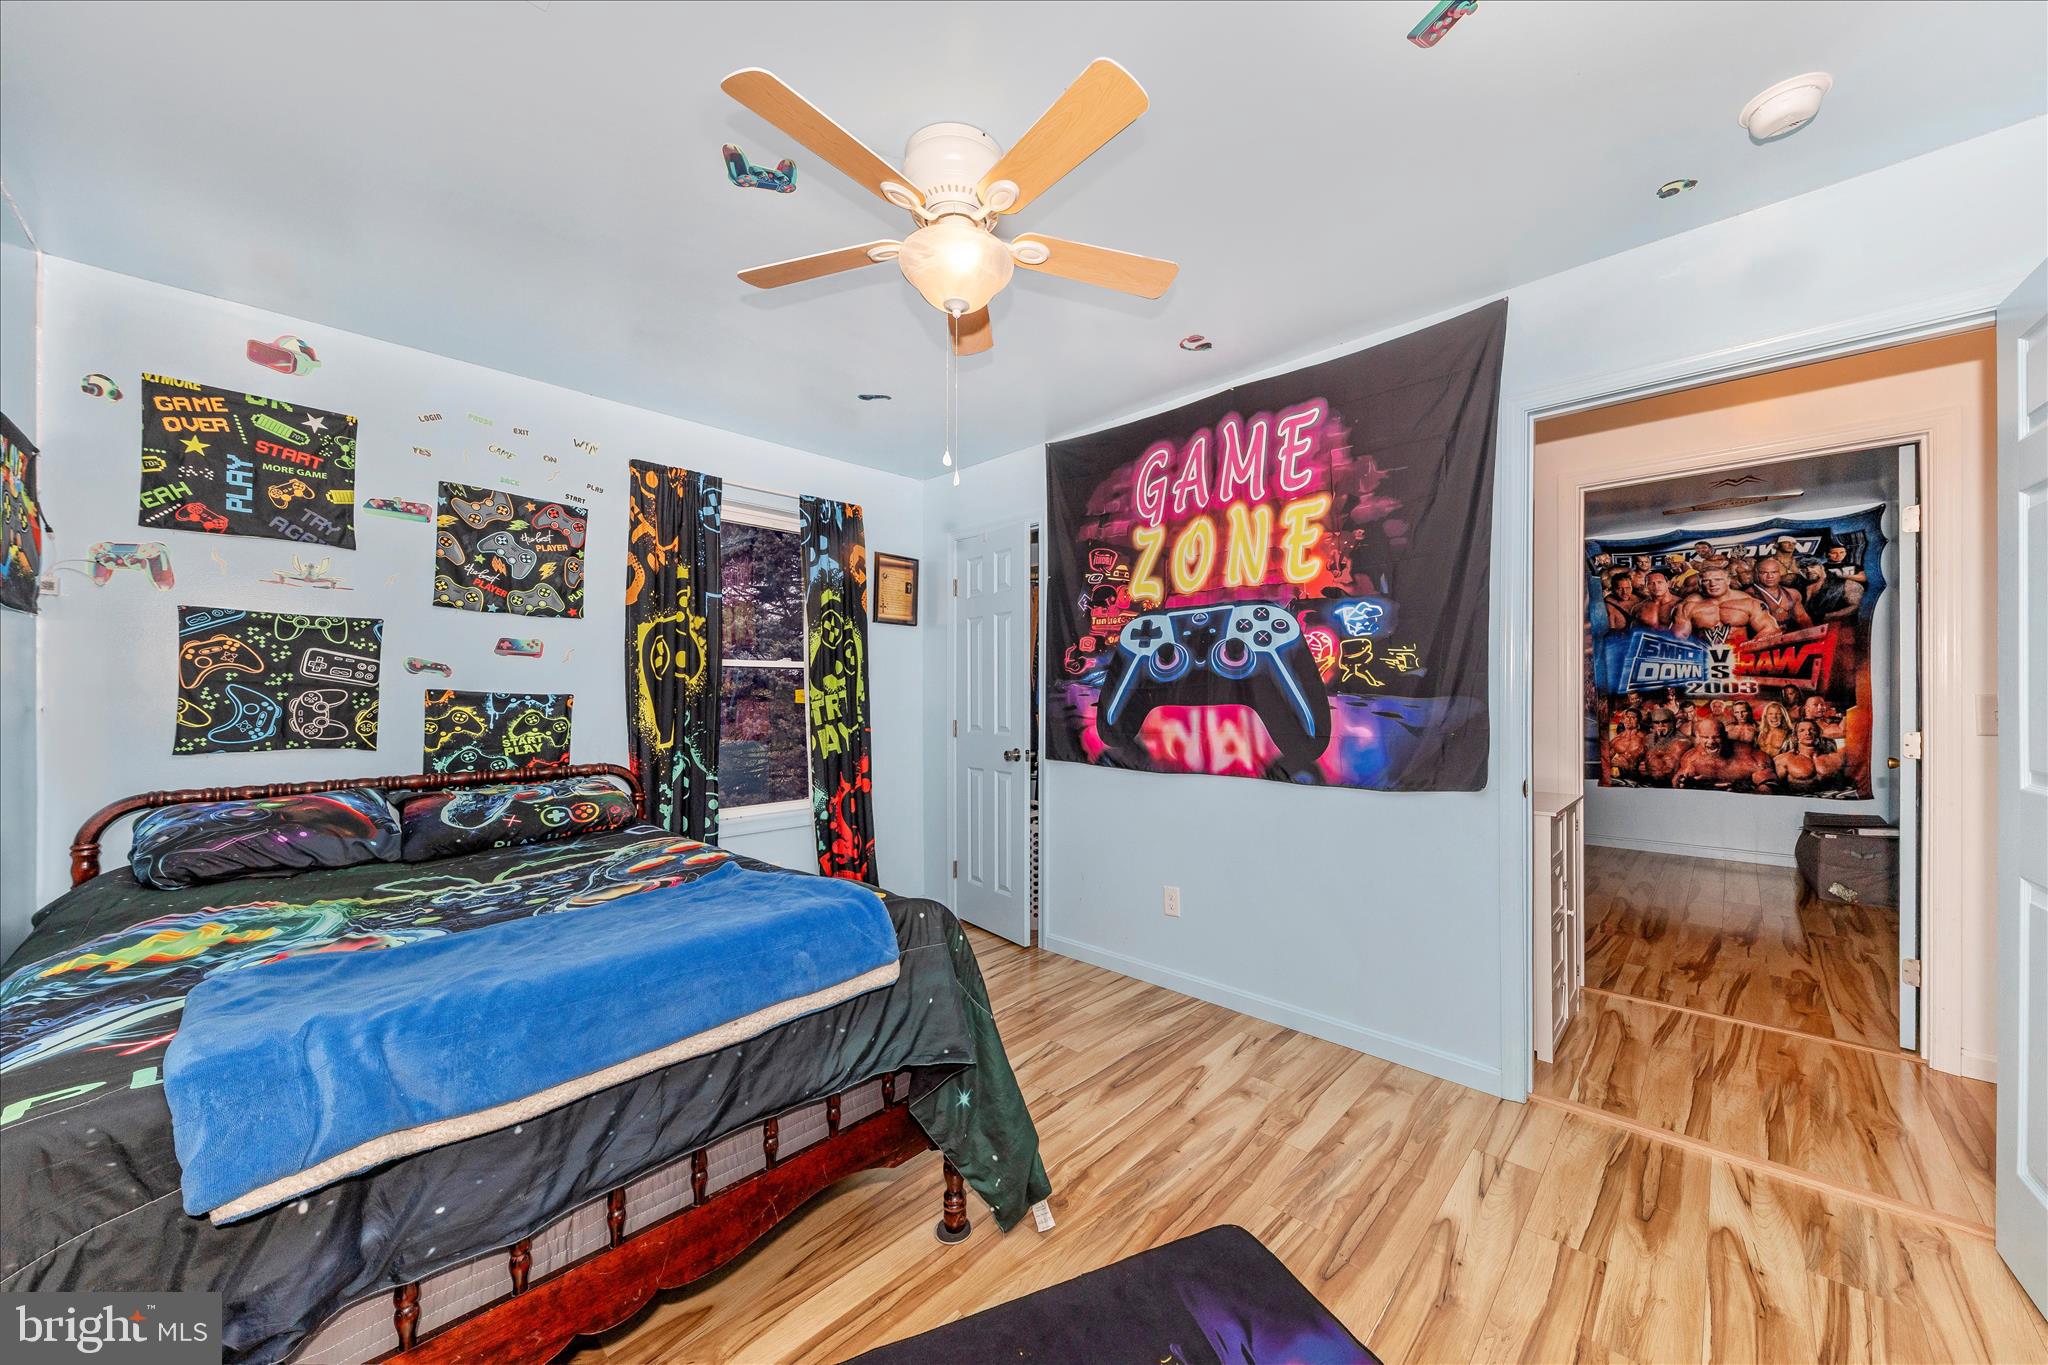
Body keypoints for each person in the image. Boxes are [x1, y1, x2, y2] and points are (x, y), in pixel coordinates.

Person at [1672, 564, 1781, 641]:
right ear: (1700, 584)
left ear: (1728, 581)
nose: (1713, 584)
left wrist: (1748, 649)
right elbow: (1679, 637)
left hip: (1742, 657)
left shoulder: (1749, 603)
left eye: (1718, 579)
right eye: (1706, 581)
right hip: (1703, 658)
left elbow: (1770, 629)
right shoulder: (1689, 605)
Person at [1673, 715, 1772, 789]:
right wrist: (1684, 784)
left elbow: (1769, 785)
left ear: (1725, 735)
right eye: (1705, 737)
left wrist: (1747, 789)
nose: (1711, 742)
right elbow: (1677, 784)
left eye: (1716, 737)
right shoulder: (1691, 758)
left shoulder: (1748, 755)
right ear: (1698, 737)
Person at [1774, 717, 1845, 790]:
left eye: (1812, 730)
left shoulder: (1833, 758)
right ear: (1795, 736)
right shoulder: (1784, 760)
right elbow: (1773, 788)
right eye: (1802, 730)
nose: (1808, 733)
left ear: (1818, 734)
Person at [1750, 555, 1813, 631]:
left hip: (1790, 637)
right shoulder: (1748, 596)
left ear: (1779, 573)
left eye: (1774, 572)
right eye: (1764, 573)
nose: (1770, 576)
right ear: (1757, 574)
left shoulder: (1792, 593)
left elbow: (1802, 618)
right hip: (1764, 639)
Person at [1805, 543, 1866, 620]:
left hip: (1854, 596)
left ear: (1846, 552)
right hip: (1830, 598)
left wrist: (1840, 576)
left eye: (1842, 552)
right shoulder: (1822, 567)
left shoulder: (1854, 565)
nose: (1839, 555)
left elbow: (1863, 578)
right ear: (1827, 554)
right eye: (1834, 553)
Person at [1642, 708, 1686, 783]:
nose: (1660, 725)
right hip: (1648, 781)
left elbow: (1670, 769)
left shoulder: (1682, 741)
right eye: (1656, 722)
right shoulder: (1648, 738)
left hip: (1670, 782)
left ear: (1673, 722)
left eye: (1665, 721)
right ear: (1653, 724)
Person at [1604, 707, 1648, 781]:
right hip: (1623, 779)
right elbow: (1606, 761)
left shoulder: (1645, 738)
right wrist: (1613, 763)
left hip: (1641, 779)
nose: (1629, 720)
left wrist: (1628, 766)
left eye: (1633, 718)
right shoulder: (1617, 739)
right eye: (1627, 717)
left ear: (1639, 721)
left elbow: (1652, 765)